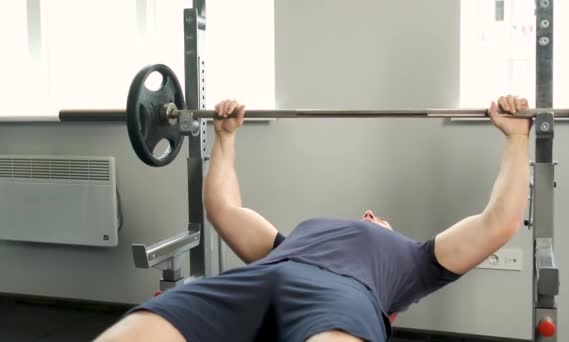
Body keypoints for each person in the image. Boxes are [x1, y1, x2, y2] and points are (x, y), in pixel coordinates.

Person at [95, 95, 531, 342]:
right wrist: (225, 139)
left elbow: (499, 223)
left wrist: (516, 140)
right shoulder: (292, 240)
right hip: (262, 277)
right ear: (369, 216)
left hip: (343, 298)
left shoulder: (415, 260)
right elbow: (224, 210)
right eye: (376, 218)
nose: (377, 220)